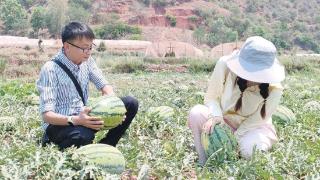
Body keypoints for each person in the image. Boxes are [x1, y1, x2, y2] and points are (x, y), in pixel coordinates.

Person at [37, 21, 139, 149]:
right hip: (60, 124)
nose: (88, 52)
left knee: (130, 103)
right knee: (83, 136)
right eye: (84, 48)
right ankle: (57, 146)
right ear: (67, 46)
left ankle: (107, 145)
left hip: (84, 118)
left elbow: (105, 86)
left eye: (91, 47)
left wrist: (116, 109)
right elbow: (47, 116)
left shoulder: (88, 61)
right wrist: (77, 120)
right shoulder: (50, 69)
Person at [188, 36, 285, 165]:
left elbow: (258, 120)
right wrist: (216, 116)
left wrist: (234, 138)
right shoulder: (224, 65)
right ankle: (203, 159)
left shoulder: (275, 89)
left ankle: (233, 152)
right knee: (196, 113)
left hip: (252, 128)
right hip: (223, 121)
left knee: (250, 151)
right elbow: (211, 97)